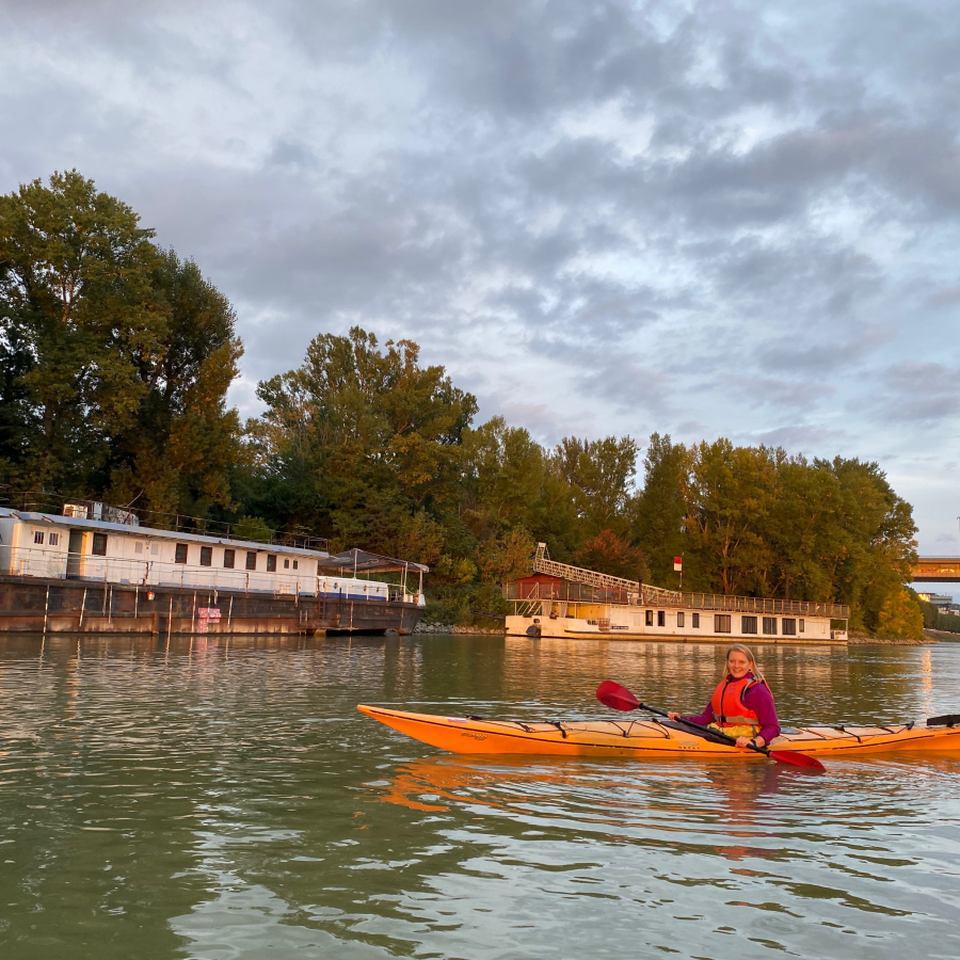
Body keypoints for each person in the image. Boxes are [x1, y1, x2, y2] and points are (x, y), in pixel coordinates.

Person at [667, 643, 780, 749]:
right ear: (727, 662)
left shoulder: (758, 690)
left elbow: (773, 727)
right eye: (732, 661)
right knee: (671, 725)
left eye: (741, 662)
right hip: (719, 734)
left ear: (750, 665)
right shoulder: (725, 686)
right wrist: (681, 719)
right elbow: (706, 718)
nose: (736, 666)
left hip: (744, 741)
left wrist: (754, 743)